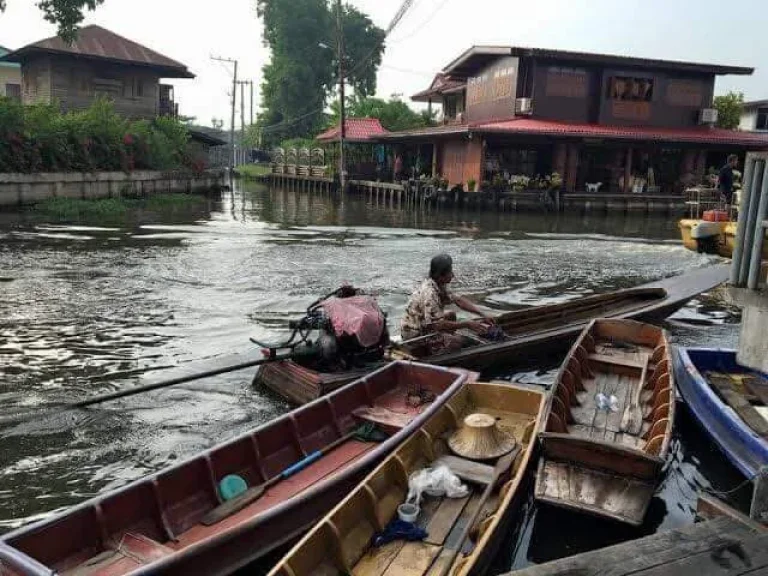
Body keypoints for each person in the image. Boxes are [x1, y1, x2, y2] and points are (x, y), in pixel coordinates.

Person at [400, 254, 494, 343]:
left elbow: (458, 300)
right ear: (440, 276)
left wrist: (482, 313)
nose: (453, 275)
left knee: (451, 315)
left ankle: (444, 339)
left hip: (422, 323)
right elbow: (437, 325)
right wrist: (467, 324)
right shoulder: (430, 294)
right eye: (450, 273)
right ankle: (441, 345)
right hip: (415, 335)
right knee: (457, 342)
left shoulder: (438, 284)